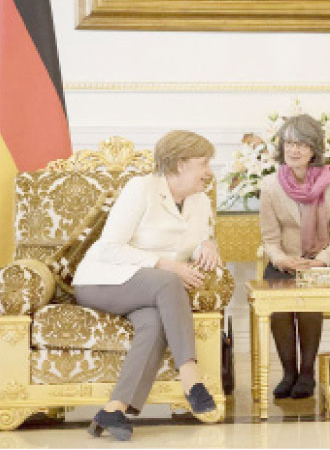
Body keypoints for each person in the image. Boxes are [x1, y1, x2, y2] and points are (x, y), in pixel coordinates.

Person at [73, 130, 222, 440]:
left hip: (148, 288)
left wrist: (207, 245)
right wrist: (169, 266)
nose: (209, 172)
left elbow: (190, 244)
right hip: (103, 279)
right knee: (169, 281)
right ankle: (190, 374)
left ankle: (115, 408)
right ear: (181, 164)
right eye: (204, 163)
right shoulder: (140, 188)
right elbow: (110, 247)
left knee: (154, 323)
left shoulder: (200, 202)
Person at [259, 114, 330, 399]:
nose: (294, 150)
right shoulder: (270, 186)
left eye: (301, 144)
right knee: (279, 303)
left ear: (314, 149)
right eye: (289, 143)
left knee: (309, 296)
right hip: (285, 263)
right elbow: (270, 240)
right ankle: (289, 373)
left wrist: (321, 260)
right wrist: (281, 259)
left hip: (323, 263)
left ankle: (307, 372)